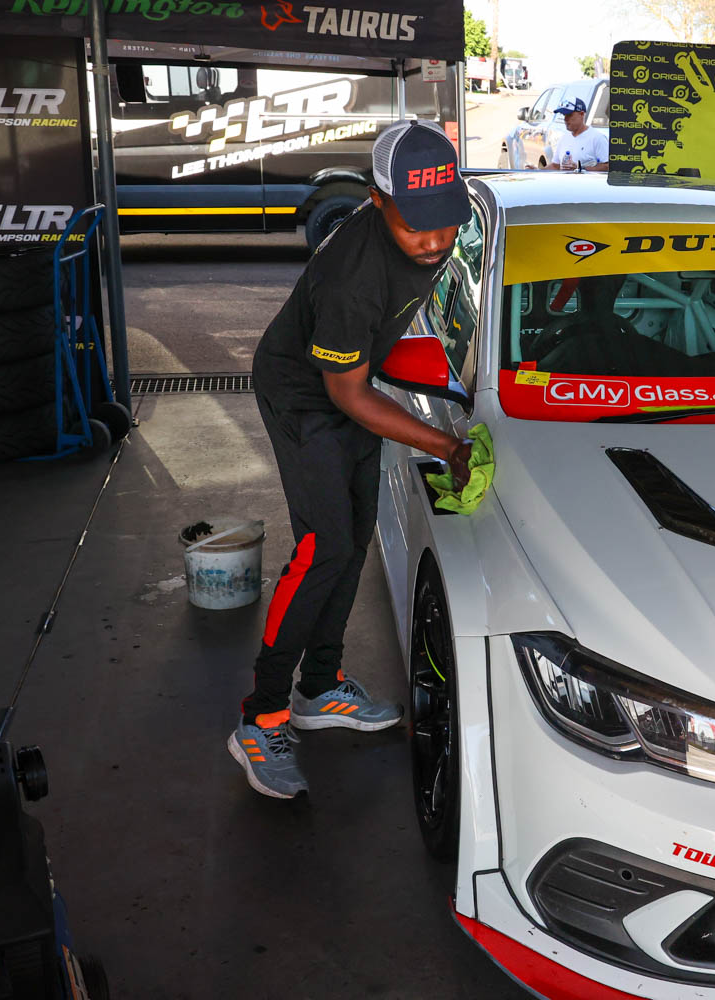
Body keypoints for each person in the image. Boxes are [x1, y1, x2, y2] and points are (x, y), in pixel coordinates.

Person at [230, 120, 474, 799]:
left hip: (351, 384)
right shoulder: (350, 277)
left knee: (357, 535)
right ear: (376, 200)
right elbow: (348, 394)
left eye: (446, 219)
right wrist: (445, 445)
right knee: (323, 547)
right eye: (417, 225)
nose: (436, 240)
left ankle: (320, 687)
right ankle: (261, 717)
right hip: (305, 395)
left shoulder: (436, 235)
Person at [544, 97, 608, 172]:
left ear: (581, 114)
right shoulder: (564, 138)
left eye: (569, 115)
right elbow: (556, 166)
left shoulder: (597, 138)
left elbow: (607, 166)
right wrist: (537, 170)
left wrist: (580, 169)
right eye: (564, 115)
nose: (565, 119)